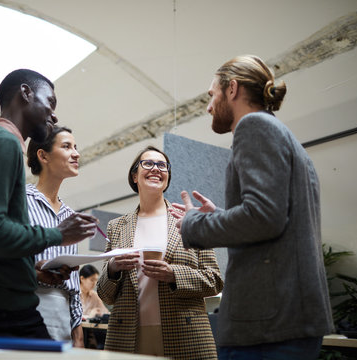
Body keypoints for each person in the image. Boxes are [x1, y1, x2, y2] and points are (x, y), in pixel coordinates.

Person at [170, 55, 334, 359]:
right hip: (285, 318)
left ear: (232, 89)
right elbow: (271, 217)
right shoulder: (279, 133)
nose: (208, 106)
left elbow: (263, 217)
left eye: (211, 95)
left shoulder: (253, 126)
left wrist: (195, 224)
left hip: (268, 323)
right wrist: (220, 217)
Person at [0, 69, 97, 339]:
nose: (54, 115)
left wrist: (31, 270)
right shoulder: (2, 143)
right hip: (0, 310)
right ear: (26, 93)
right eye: (50, 103)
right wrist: (58, 234)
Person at [96, 145, 224, 359]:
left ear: (167, 177)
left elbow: (215, 281)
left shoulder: (188, 219)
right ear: (135, 176)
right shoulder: (117, 226)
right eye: (148, 163)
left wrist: (173, 274)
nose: (156, 168)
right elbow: (105, 294)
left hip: (186, 333)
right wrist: (113, 267)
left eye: (162, 165)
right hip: (128, 335)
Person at [26, 125, 84, 346]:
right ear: (43, 155)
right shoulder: (20, 201)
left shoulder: (71, 216)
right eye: (67, 146)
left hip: (63, 319)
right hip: (26, 308)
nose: (76, 153)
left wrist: (78, 335)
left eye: (76, 147)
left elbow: (75, 287)